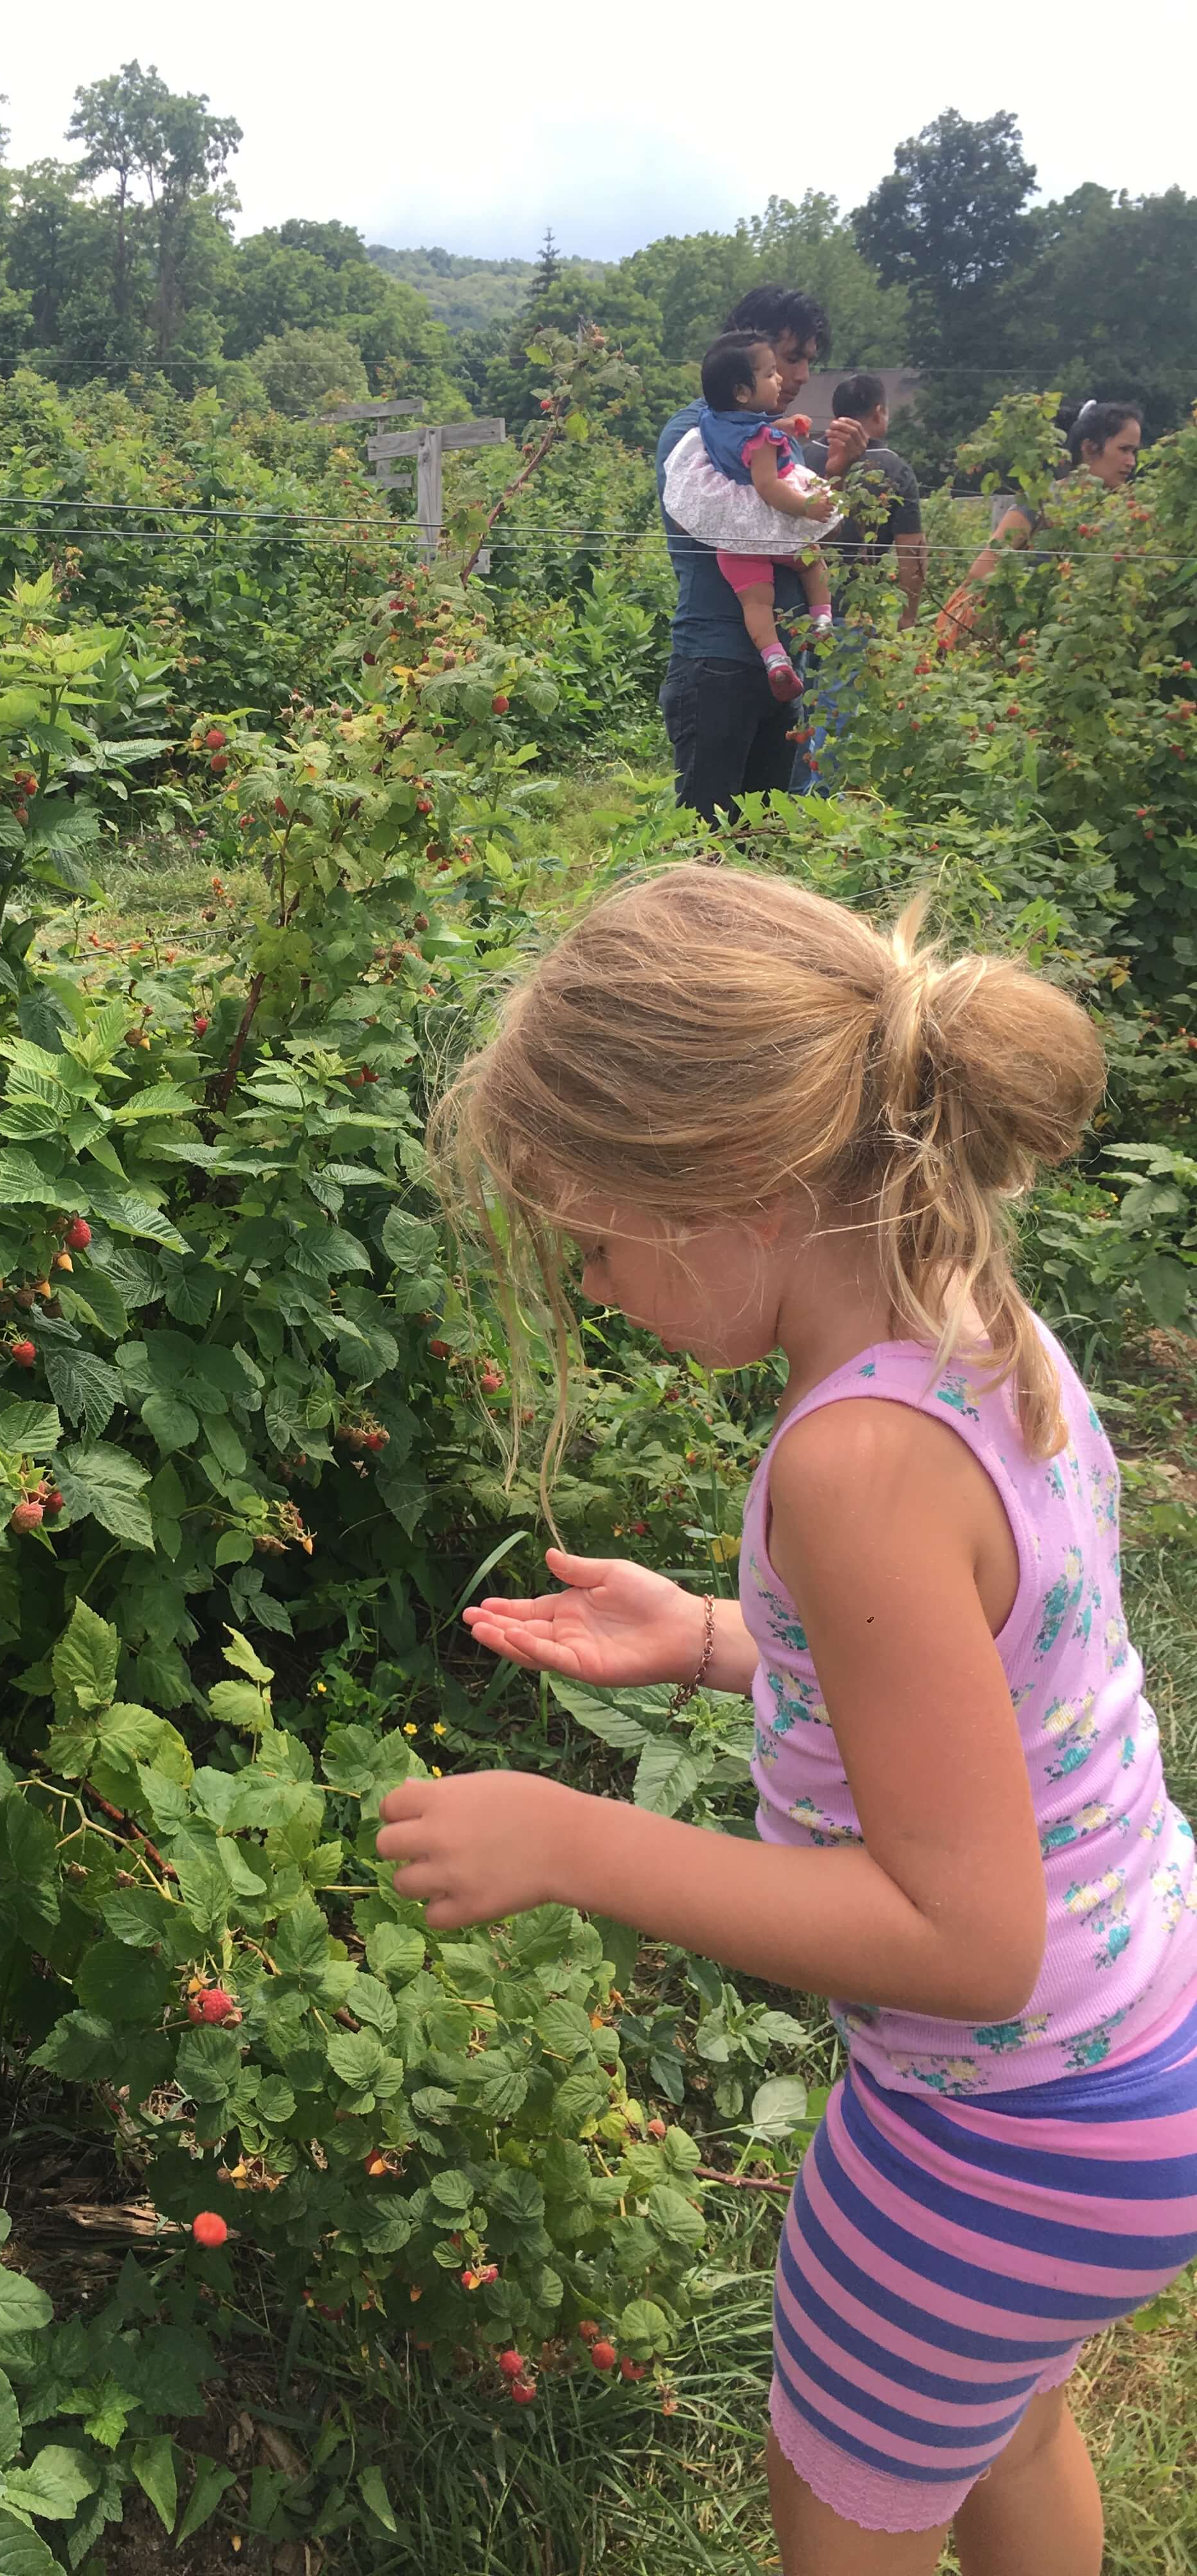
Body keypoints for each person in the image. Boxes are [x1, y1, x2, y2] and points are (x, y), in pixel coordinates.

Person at [381, 864, 1197, 2575]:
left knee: (851, 2507)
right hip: (1141, 2053)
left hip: (992, 2124)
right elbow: (1002, 1683)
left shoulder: (853, 1464)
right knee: (1005, 2421)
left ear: (735, 1193)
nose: (591, 1284)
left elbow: (961, 1938)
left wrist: (576, 1838)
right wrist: (711, 1638)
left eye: (592, 1237)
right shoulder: (976, 1321)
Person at [656, 287, 869, 822]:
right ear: (744, 359)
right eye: (787, 360)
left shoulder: (772, 437)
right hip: (719, 664)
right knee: (711, 842)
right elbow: (756, 520)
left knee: (763, 838)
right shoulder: (696, 437)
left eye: (805, 363)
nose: (797, 377)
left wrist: (833, 472)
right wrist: (824, 490)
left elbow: (794, 525)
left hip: (777, 668)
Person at [661, 332, 841, 705]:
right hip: (769, 528)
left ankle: (775, 658)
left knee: (756, 604)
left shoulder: (707, 421)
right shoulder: (763, 442)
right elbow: (767, 486)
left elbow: (742, 428)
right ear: (743, 391)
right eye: (774, 371)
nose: (782, 380)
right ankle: (824, 619)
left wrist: (785, 426)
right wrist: (806, 508)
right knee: (811, 561)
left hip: (734, 542)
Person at [795, 371, 926, 792]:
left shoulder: (797, 456)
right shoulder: (894, 468)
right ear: (879, 413)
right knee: (834, 709)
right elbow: (912, 551)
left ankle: (783, 795)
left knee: (796, 704)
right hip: (854, 610)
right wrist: (909, 616)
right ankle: (815, 801)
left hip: (794, 607)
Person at [938, 397, 1143, 650]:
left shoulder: (1125, 512)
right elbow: (982, 570)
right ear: (1090, 449)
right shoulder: (1043, 501)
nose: (1131, 462)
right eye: (1124, 450)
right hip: (1028, 645)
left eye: (1134, 452)